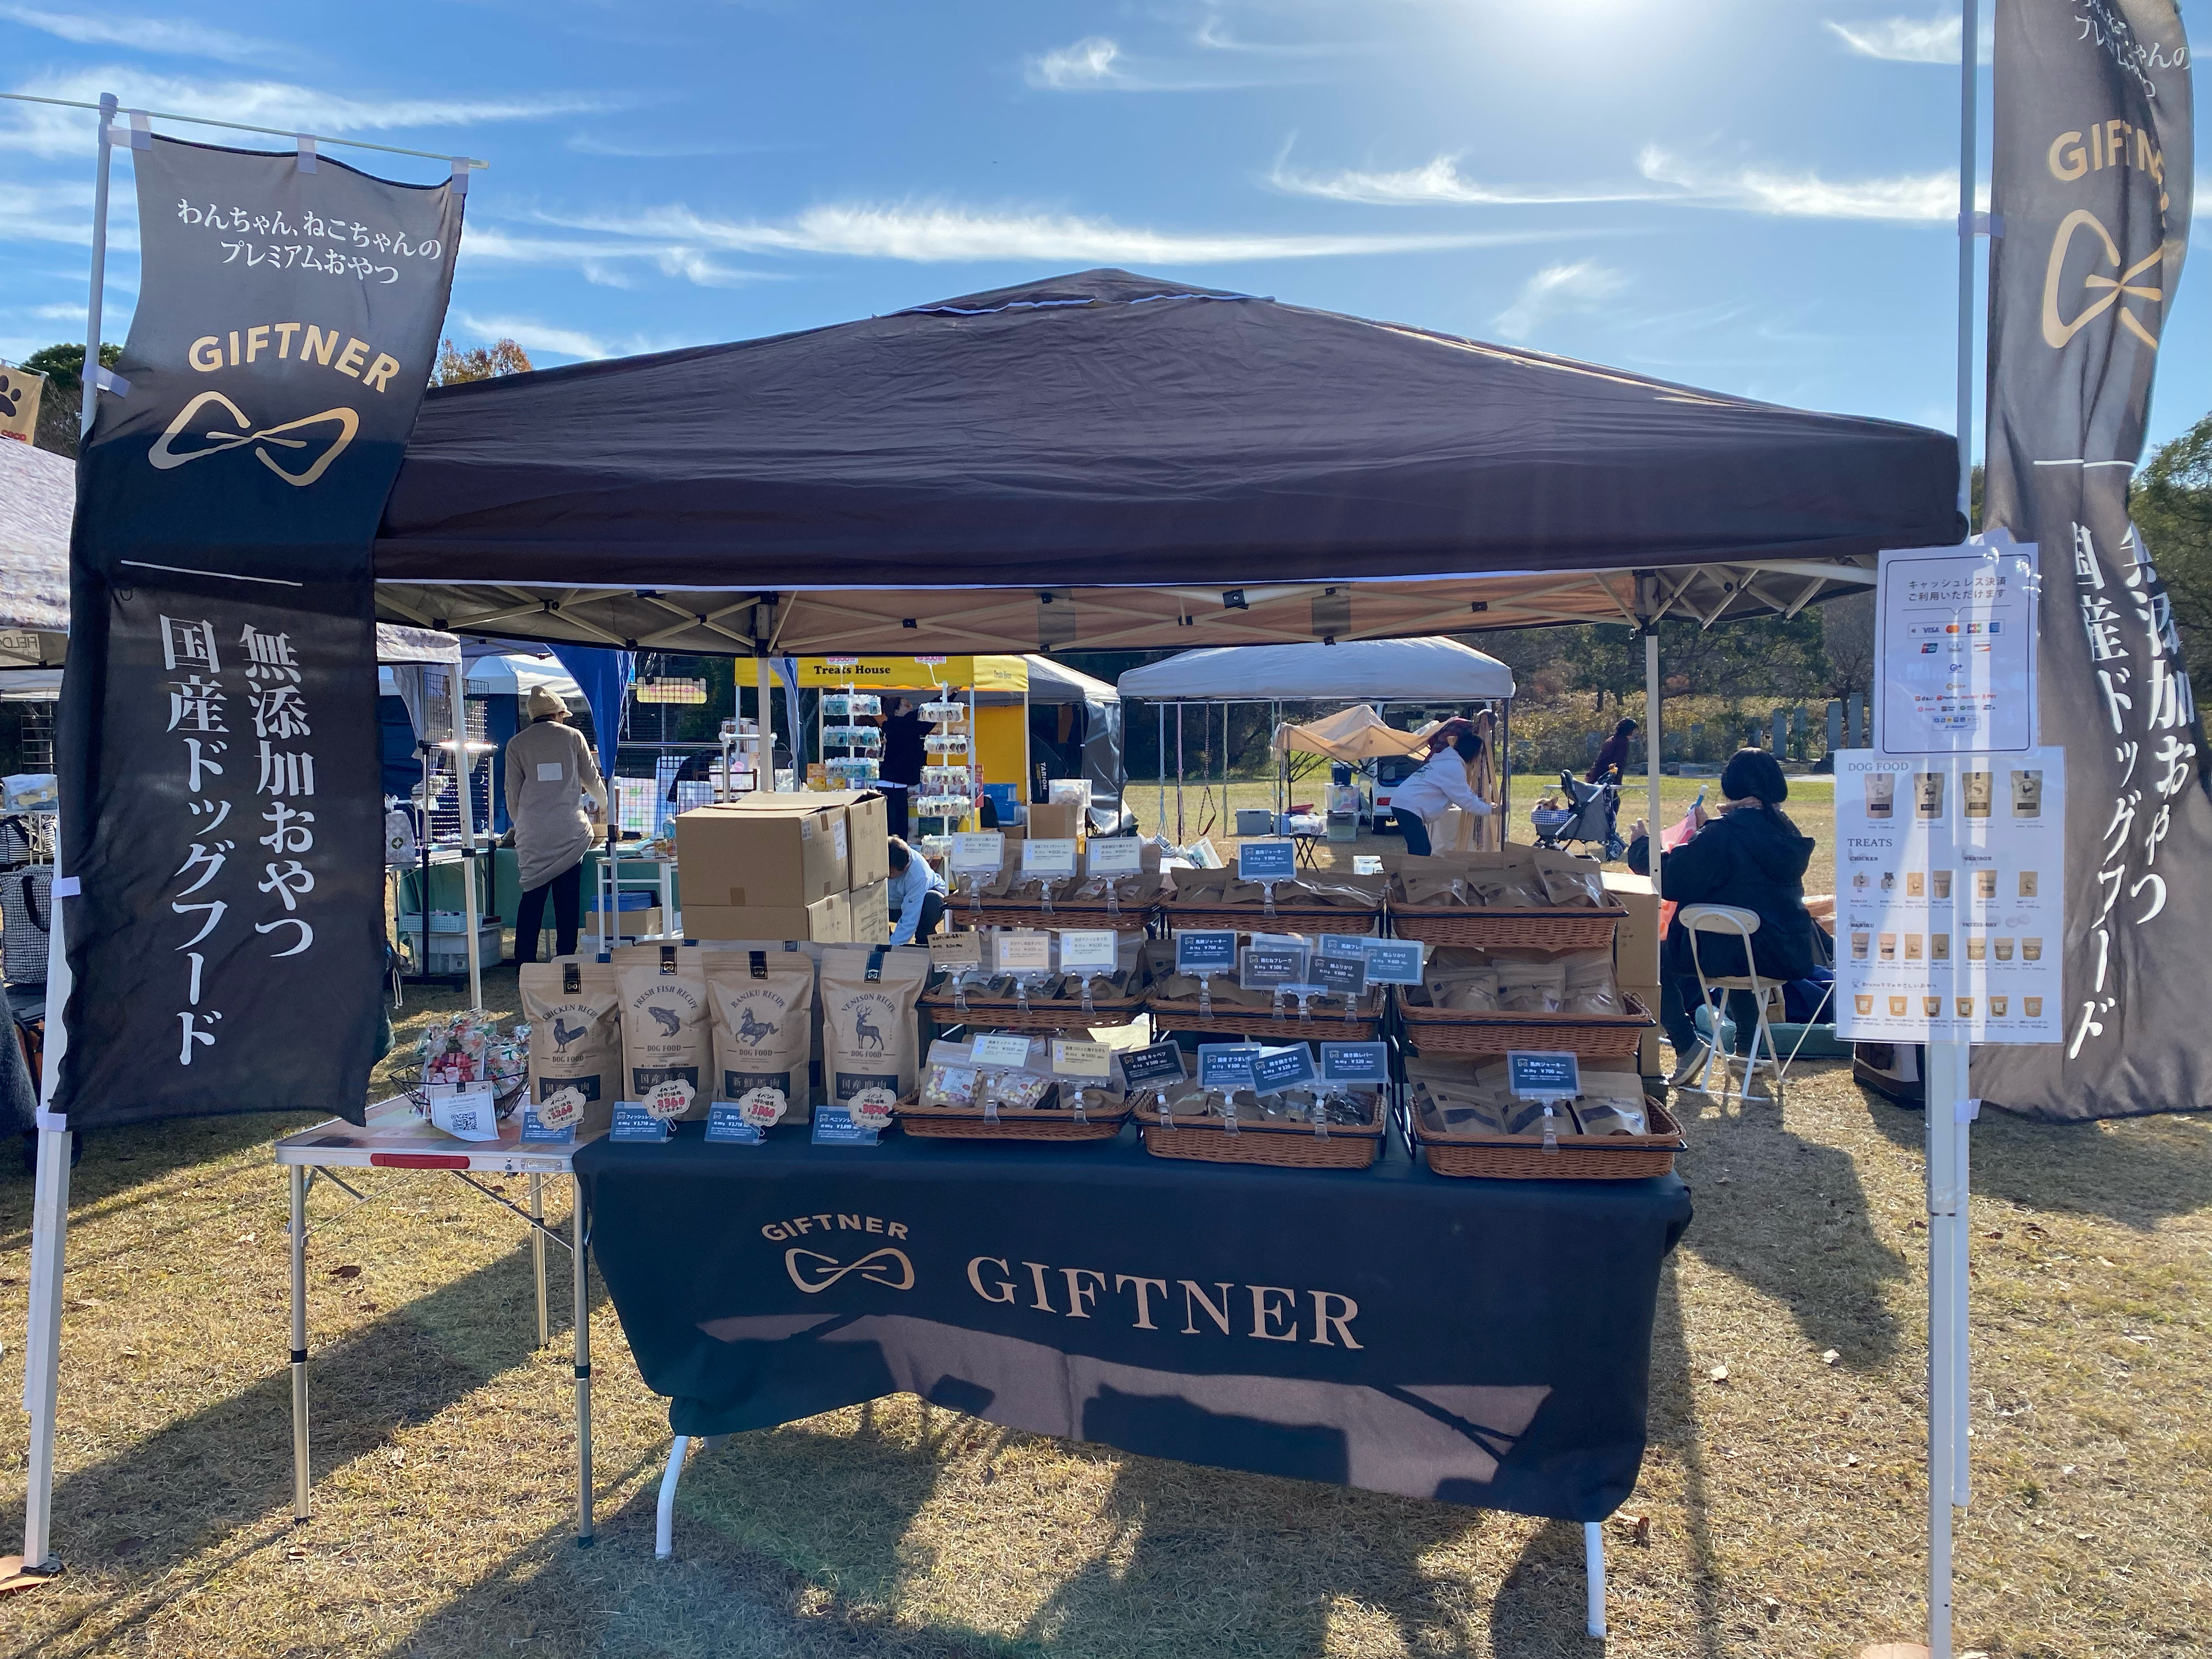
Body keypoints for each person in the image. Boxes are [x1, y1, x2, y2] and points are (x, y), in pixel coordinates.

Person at [1626, 748, 1816, 1092]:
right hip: (1784, 950)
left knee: (1647, 958)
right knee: (1735, 941)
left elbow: (1671, 877)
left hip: (1735, 950)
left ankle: (1686, 1044)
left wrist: (1641, 847)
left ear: (1732, 787)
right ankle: (1748, 1050)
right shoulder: (1787, 832)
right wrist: (1707, 832)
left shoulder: (1724, 834)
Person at [504, 685, 607, 962]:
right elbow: (592, 780)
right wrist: (607, 805)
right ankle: (566, 963)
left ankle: (524, 966)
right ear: (558, 713)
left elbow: (512, 793)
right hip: (569, 835)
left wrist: (521, 822)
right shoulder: (573, 737)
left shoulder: (516, 745)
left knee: (531, 902)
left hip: (533, 837)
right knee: (567, 905)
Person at [1389, 724, 1493, 857]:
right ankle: (1413, 871)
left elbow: (1464, 796)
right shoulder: (1453, 767)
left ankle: (1414, 870)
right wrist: (1491, 810)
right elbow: (1466, 801)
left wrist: (1483, 803)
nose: (1478, 759)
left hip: (1404, 801)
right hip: (1407, 805)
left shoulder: (1446, 760)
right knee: (1421, 851)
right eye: (1478, 755)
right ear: (1472, 754)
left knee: (1423, 849)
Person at [877, 695, 927, 839]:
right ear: (896, 711)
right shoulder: (899, 726)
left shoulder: (901, 726)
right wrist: (946, 697)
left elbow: (926, 720)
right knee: (895, 835)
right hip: (891, 787)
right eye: (906, 705)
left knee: (897, 834)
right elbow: (923, 715)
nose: (910, 708)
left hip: (898, 786)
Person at [885, 836, 947, 945]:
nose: (887, 874)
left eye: (890, 872)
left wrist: (892, 947)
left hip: (923, 905)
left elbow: (910, 918)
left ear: (903, 869)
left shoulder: (919, 875)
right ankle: (883, 937)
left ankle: (923, 942)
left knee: (933, 901)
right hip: (891, 906)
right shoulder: (884, 855)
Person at [1588, 717, 1637, 783]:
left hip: (1596, 777)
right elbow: (1619, 763)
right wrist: (1617, 782)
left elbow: (1598, 760)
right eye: (1633, 730)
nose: (1634, 733)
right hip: (1604, 779)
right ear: (1629, 730)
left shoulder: (1612, 740)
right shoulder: (1622, 742)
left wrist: (1590, 774)